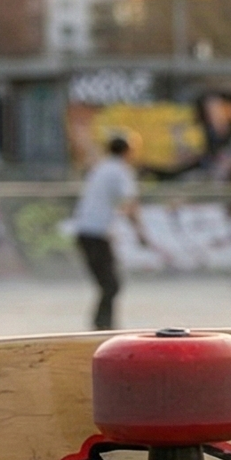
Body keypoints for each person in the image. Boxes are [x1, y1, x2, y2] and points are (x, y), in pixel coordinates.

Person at [71, 132, 146, 331]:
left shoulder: (101, 167)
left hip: (86, 231)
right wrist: (140, 232)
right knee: (111, 284)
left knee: (108, 284)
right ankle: (103, 327)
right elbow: (130, 203)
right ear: (128, 151)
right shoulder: (120, 171)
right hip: (95, 233)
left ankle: (103, 324)